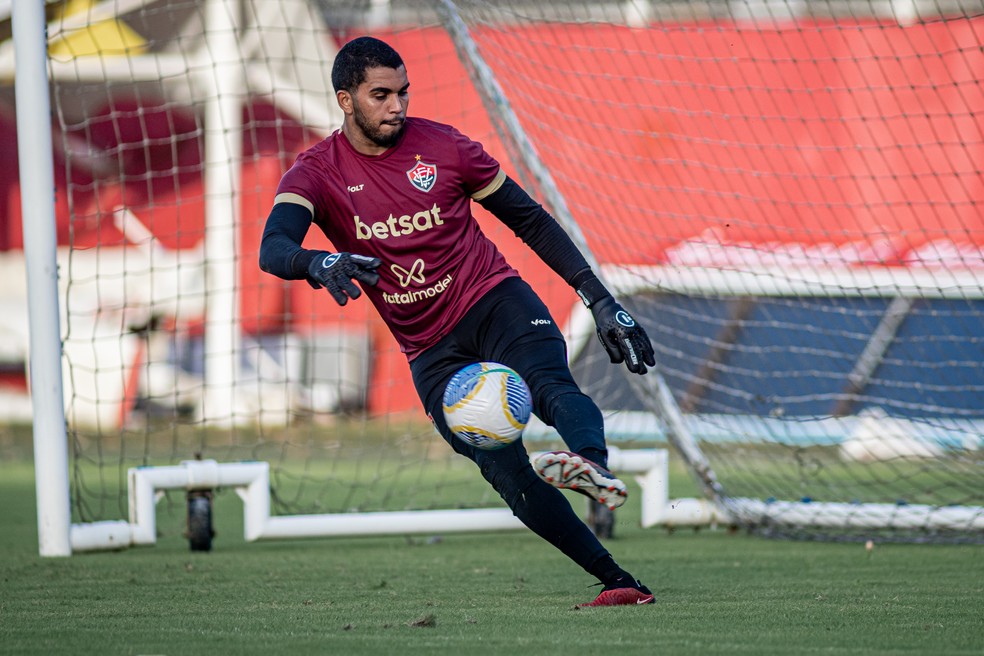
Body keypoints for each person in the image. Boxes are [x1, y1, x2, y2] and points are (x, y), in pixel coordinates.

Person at [259, 36, 657, 607]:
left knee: (550, 386)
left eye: (403, 92)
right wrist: (319, 261)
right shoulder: (317, 172)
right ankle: (619, 582)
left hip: (493, 299)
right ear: (345, 100)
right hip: (429, 349)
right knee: (508, 474)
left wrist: (598, 298)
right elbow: (273, 248)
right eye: (381, 95)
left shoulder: (445, 147)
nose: (397, 106)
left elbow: (531, 221)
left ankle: (591, 466)